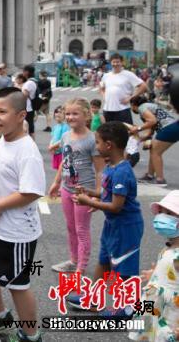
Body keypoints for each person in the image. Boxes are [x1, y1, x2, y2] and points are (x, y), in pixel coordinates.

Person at [0, 87, 46, 342]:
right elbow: (8, 173)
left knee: (17, 286)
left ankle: (30, 335)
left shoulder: (27, 151)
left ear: (21, 116)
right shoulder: (4, 139)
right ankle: (1, 317)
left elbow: (32, 191)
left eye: (2, 111)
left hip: (15, 233)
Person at [69, 121, 144, 312]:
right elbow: (106, 196)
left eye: (98, 142)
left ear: (109, 145)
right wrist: (89, 192)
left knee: (124, 267)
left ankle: (127, 309)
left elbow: (116, 206)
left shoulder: (122, 172)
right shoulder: (111, 166)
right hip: (113, 226)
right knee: (104, 261)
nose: (96, 146)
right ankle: (93, 299)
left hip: (126, 227)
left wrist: (89, 202)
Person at [48, 98, 105, 276]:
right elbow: (64, 162)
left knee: (81, 229)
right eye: (68, 113)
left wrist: (97, 195)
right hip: (66, 188)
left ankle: (81, 266)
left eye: (75, 113)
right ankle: (73, 260)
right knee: (71, 227)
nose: (70, 117)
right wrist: (56, 183)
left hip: (84, 192)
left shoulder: (92, 140)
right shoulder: (66, 136)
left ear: (86, 115)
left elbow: (99, 171)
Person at [129, 190, 179, 342]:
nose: (162, 216)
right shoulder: (169, 246)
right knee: (150, 334)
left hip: (170, 310)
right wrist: (156, 275)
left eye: (169, 213)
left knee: (163, 336)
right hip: (155, 301)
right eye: (162, 211)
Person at [129, 95, 178, 188]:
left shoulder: (142, 108)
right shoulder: (150, 105)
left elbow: (152, 121)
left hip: (168, 128)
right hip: (173, 127)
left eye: (131, 106)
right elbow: (151, 130)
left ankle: (160, 179)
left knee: (156, 152)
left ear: (133, 104)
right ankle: (149, 175)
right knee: (153, 149)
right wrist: (140, 139)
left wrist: (137, 128)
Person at [99, 54, 148, 124]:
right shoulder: (106, 76)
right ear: (111, 63)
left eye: (118, 62)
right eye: (114, 62)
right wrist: (104, 96)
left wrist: (130, 98)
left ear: (122, 62)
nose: (115, 64)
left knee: (125, 132)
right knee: (108, 133)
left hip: (122, 110)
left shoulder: (128, 74)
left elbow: (143, 86)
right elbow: (101, 87)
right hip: (107, 109)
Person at [47, 106, 69, 171]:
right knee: (57, 169)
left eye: (60, 112)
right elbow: (53, 138)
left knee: (62, 170)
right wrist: (51, 145)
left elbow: (62, 140)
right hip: (56, 152)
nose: (58, 114)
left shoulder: (65, 127)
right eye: (56, 112)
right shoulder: (55, 127)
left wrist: (52, 147)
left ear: (65, 115)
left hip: (61, 152)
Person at [21, 65, 38, 138]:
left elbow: (24, 95)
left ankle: (31, 145)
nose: (22, 73)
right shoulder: (33, 81)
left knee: (28, 128)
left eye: (23, 71)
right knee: (30, 128)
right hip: (29, 107)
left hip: (27, 108)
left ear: (27, 72)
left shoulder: (29, 83)